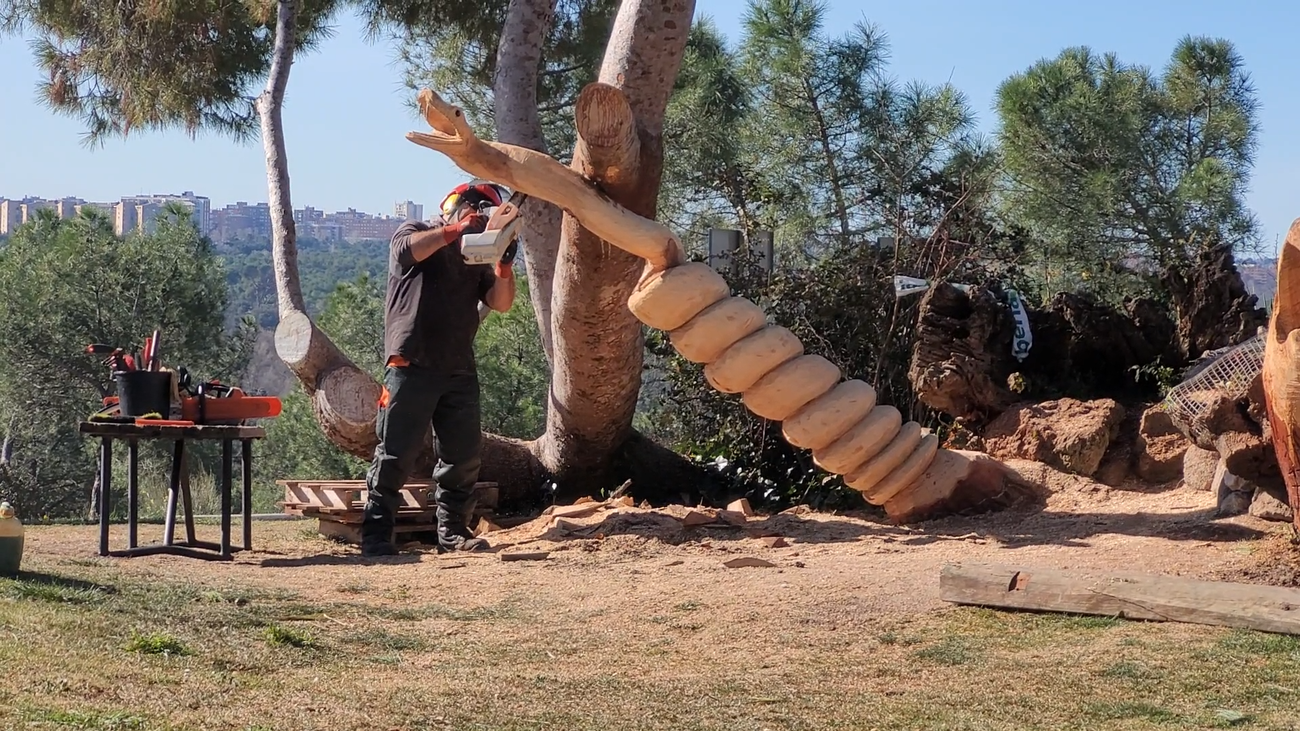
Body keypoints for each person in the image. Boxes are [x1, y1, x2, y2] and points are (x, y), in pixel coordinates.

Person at [360, 180, 517, 557]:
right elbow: (406, 250)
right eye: (475, 210)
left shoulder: (473, 257)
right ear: (457, 207)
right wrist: (455, 231)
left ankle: (452, 532)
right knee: (396, 452)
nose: (477, 219)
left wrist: (504, 265)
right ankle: (377, 535)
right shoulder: (414, 231)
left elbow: (501, 302)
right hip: (411, 360)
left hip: (458, 365)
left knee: (463, 456)